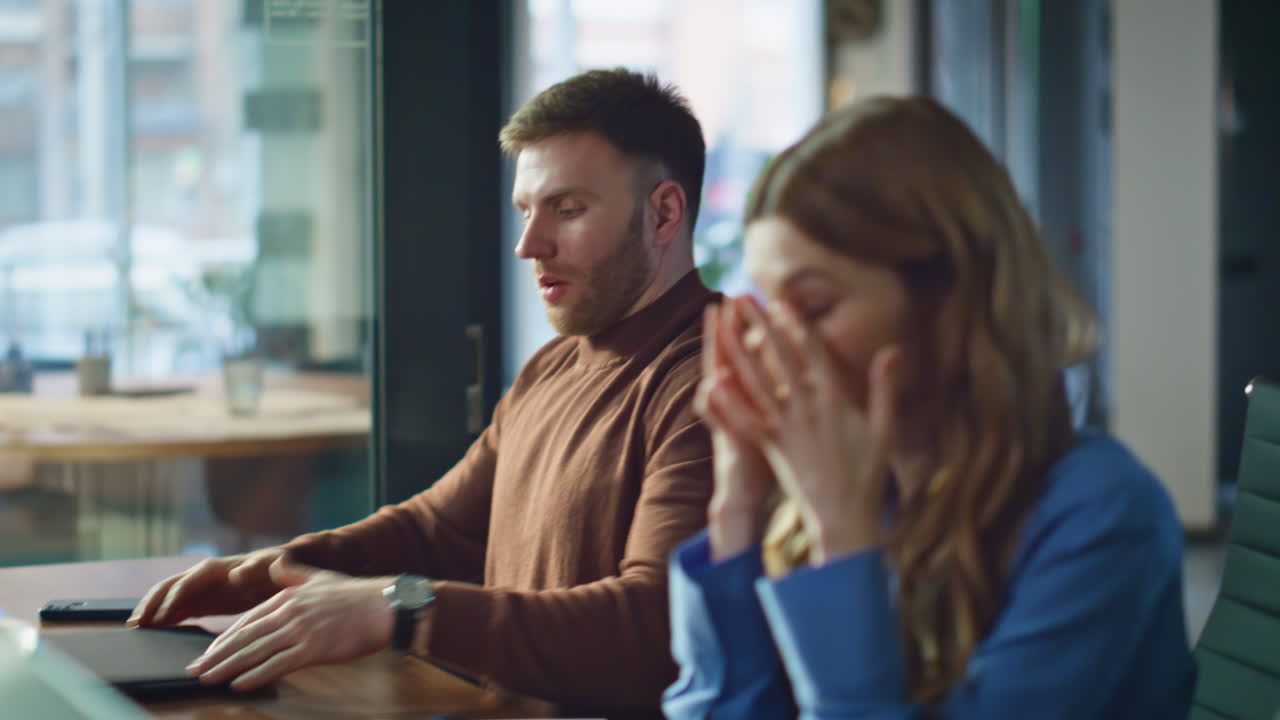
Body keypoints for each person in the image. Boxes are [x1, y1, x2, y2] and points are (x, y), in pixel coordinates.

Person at [130, 68, 718, 715]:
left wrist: (402, 609)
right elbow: (437, 527)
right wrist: (265, 572)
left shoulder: (711, 381)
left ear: (664, 213)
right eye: (526, 210)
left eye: (568, 209)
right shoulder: (553, 368)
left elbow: (655, 625)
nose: (529, 244)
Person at [663, 97, 1195, 719]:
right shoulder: (853, 488)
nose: (776, 347)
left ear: (949, 301)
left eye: (813, 307)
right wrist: (739, 506)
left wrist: (844, 538)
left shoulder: (1104, 513)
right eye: (767, 308)